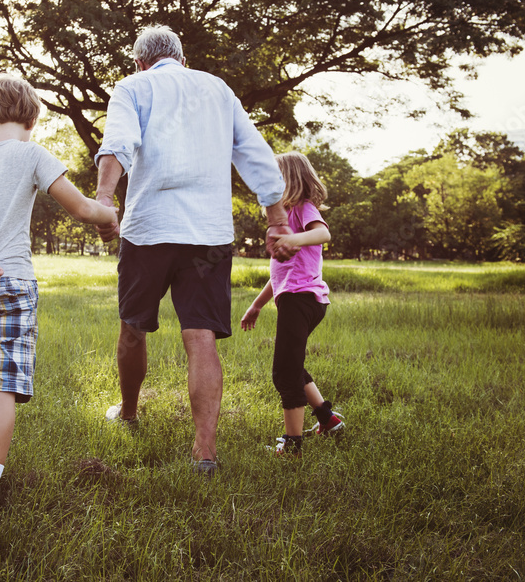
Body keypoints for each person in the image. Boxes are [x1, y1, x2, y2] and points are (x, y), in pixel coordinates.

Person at [94, 25, 295, 475]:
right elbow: (255, 153)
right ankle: (205, 452)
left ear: (140, 62)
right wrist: (277, 219)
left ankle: (128, 412)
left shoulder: (132, 86)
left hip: (148, 232)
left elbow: (118, 144)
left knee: (133, 327)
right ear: (183, 59)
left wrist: (105, 201)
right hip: (208, 235)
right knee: (201, 336)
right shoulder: (218, 89)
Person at [0, 74, 118, 519]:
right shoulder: (32, 153)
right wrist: (110, 215)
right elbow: (83, 208)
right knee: (1, 384)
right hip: (10, 282)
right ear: (31, 116)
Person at [240, 151, 344, 457]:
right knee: (293, 366)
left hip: (303, 299)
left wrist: (293, 239)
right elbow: (280, 276)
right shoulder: (285, 216)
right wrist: (257, 305)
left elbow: (323, 233)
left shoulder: (302, 208)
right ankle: (328, 420)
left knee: (284, 373)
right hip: (296, 298)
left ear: (288, 180)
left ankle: (293, 444)